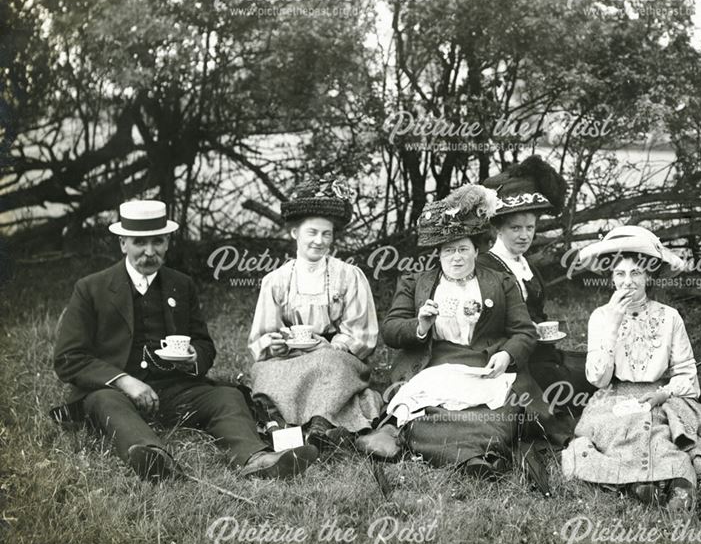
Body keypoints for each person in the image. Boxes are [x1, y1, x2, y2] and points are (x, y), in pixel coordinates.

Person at [52, 200, 317, 480]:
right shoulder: (91, 288)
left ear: (167, 243)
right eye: (140, 243)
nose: (150, 252)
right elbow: (69, 358)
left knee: (226, 396)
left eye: (158, 242)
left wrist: (193, 358)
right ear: (123, 244)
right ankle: (153, 457)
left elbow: (204, 345)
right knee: (104, 401)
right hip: (116, 394)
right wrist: (124, 381)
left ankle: (257, 458)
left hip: (174, 391)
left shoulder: (181, 284)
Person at [562, 226, 701, 511]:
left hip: (661, 395)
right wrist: (613, 323)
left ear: (649, 276)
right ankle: (642, 484)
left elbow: (687, 375)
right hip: (614, 396)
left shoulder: (670, 317)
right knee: (619, 431)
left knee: (661, 435)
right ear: (611, 278)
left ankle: (673, 485)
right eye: (620, 274)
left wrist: (664, 394)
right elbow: (598, 378)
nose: (627, 282)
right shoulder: (601, 317)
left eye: (636, 273)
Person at [356, 185, 538, 479]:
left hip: (483, 365)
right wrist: (420, 325)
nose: (457, 258)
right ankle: (461, 450)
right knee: (423, 403)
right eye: (449, 251)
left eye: (464, 249)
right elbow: (390, 330)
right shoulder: (417, 282)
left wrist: (506, 354)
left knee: (497, 412)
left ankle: (467, 451)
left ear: (476, 250)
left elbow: (524, 332)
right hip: (434, 364)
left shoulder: (501, 282)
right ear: (437, 254)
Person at [245, 178, 382, 449]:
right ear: (295, 233)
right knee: (263, 372)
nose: (319, 241)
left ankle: (320, 426)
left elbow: (362, 334)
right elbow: (261, 336)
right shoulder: (276, 280)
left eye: (326, 234)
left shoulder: (349, 276)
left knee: (329, 366)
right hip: (288, 358)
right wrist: (274, 344)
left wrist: (331, 345)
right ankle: (289, 429)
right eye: (312, 233)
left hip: (336, 355)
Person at [478, 155, 593, 445]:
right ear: (497, 229)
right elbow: (485, 324)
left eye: (529, 228)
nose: (524, 235)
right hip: (509, 355)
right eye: (516, 228)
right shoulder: (488, 265)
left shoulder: (525, 264)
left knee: (586, 377)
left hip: (541, 349)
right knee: (559, 392)